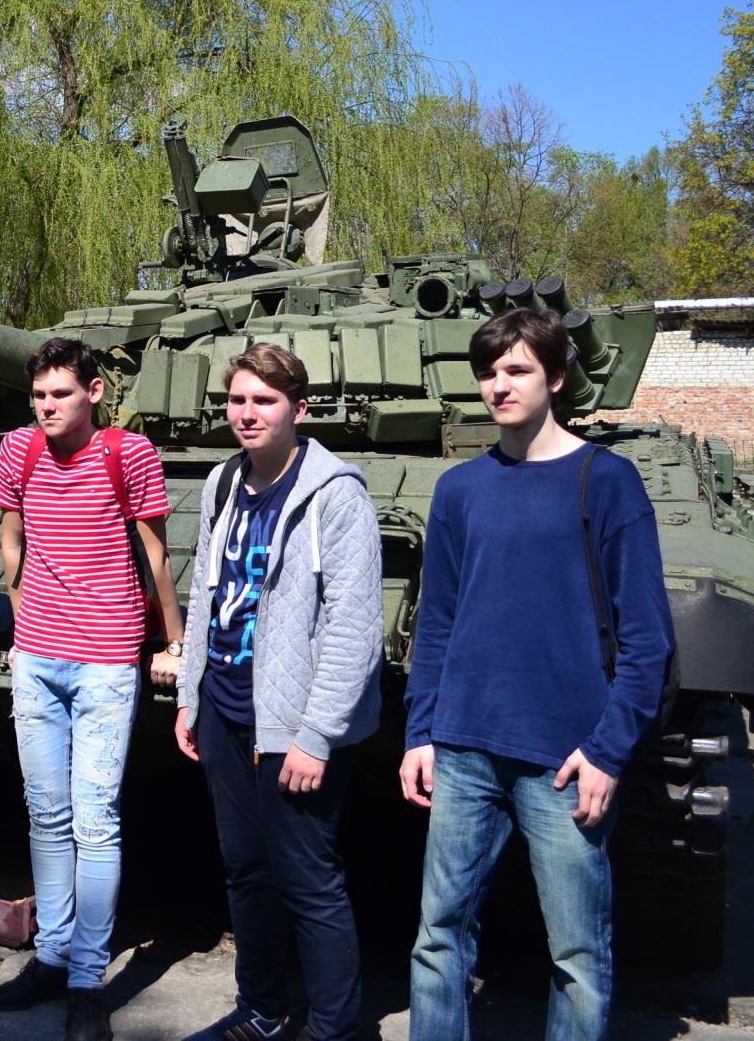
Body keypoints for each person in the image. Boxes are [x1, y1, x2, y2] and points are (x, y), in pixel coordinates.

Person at [401, 308, 674, 1041]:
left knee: (577, 954)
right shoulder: (459, 489)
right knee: (438, 938)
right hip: (464, 749)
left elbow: (648, 638)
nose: (500, 385)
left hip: (566, 754)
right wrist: (420, 732)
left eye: (517, 369)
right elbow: (437, 622)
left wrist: (608, 750)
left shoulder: (606, 481)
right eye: (488, 372)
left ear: (555, 377)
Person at [174, 344, 382, 1041]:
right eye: (237, 399)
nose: (247, 413)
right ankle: (262, 1011)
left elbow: (354, 627)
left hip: (294, 725)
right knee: (246, 872)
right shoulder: (223, 483)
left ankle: (335, 1029)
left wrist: (316, 735)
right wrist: (191, 696)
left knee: (309, 881)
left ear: (299, 408)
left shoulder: (335, 494)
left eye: (264, 400)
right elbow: (206, 596)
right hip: (227, 710)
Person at [0, 337, 182, 1041]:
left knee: (96, 820)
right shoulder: (19, 449)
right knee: (46, 814)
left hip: (105, 659)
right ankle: (52, 955)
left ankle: (87, 979)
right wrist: (21, 608)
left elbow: (156, 554)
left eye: (60, 394)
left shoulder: (130, 453)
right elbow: (10, 536)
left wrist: (173, 642)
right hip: (38, 658)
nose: (47, 406)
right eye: (39, 395)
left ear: (93, 392)